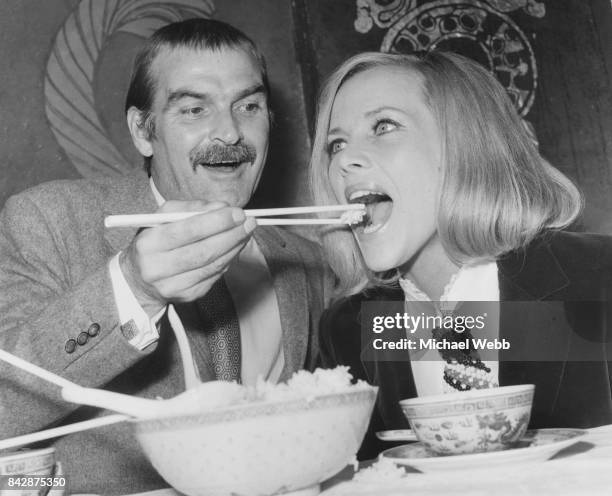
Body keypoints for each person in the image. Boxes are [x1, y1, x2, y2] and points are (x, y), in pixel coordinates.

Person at [0, 19, 328, 493]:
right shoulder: (49, 221)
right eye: (194, 109)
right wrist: (133, 287)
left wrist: (456, 262)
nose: (231, 133)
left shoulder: (304, 260)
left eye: (249, 106)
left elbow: (406, 364)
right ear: (142, 130)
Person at [309, 51, 612, 459]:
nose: (344, 160)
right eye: (335, 144)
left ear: (466, 143)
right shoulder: (345, 331)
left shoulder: (602, 277)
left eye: (383, 126)